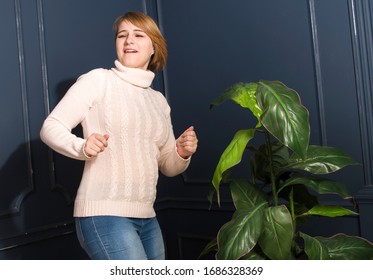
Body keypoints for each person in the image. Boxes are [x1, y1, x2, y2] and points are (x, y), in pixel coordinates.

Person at [40, 11, 198, 260]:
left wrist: (181, 152)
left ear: (154, 47)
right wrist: (81, 146)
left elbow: (167, 165)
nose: (128, 41)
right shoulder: (98, 80)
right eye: (122, 35)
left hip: (147, 216)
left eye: (138, 35)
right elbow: (51, 126)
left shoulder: (159, 101)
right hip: (104, 214)